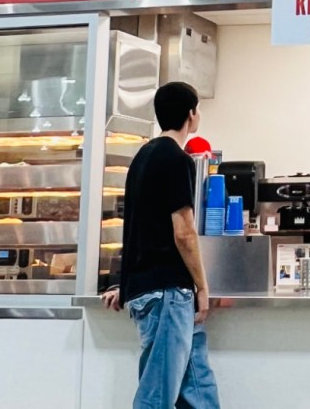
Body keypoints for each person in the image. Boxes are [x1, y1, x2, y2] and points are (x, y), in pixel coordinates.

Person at [102, 81, 221, 409]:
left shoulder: (142, 157)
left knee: (198, 386)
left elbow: (135, 228)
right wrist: (202, 287)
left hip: (151, 291)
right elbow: (184, 233)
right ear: (191, 114)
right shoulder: (176, 159)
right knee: (156, 397)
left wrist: (126, 285)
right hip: (170, 294)